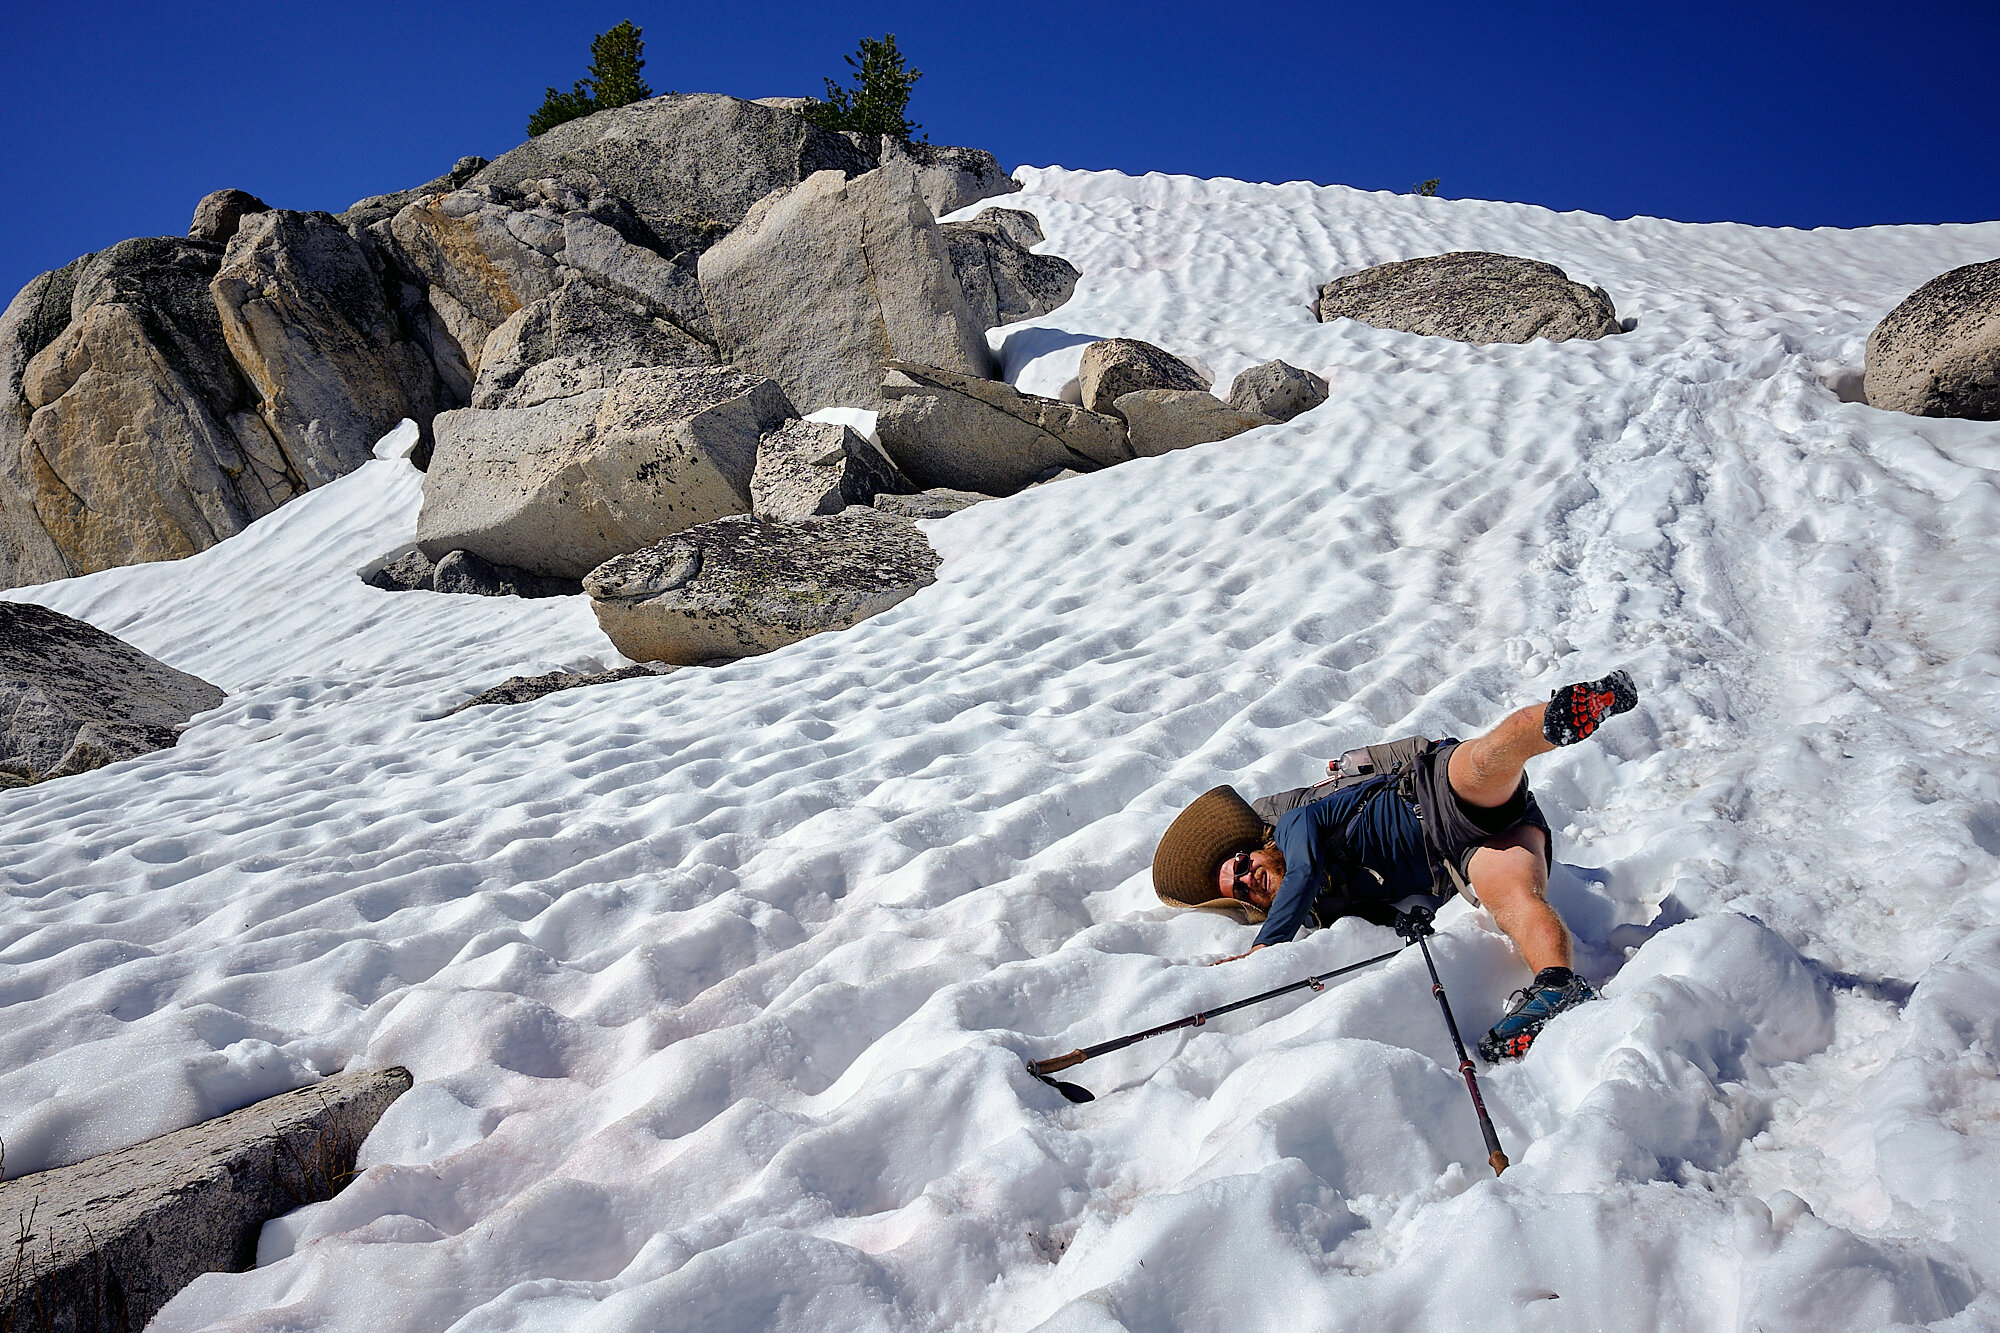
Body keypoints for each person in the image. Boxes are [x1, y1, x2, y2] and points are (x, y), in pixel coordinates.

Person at [1150, 672, 1638, 1061]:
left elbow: (1302, 872)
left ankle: (1568, 711)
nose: (1245, 878)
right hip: (1461, 858)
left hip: (1435, 796)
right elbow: (1371, 913)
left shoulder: (1296, 826)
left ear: (1258, 845)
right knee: (1516, 902)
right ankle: (1557, 986)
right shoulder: (1329, 902)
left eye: (1240, 863)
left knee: (1492, 755)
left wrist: (1264, 950)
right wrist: (1400, 921)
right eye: (1239, 890)